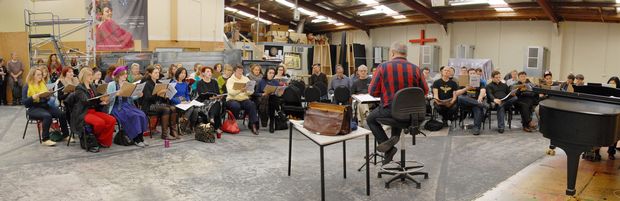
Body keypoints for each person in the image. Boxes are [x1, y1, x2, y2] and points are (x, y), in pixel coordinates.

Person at [367, 42, 428, 165]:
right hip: (414, 115)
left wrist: (386, 93)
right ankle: (394, 137)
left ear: (392, 52)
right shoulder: (416, 68)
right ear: (406, 54)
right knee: (399, 111)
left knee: (370, 119)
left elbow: (373, 92)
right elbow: (425, 91)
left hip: (391, 113)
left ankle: (389, 148)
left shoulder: (383, 67)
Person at [64, 68, 116, 151]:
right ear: (84, 76)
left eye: (92, 74)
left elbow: (95, 100)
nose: (91, 76)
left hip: (93, 111)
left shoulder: (92, 86)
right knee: (100, 123)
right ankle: (96, 138)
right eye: (89, 75)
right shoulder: (79, 88)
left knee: (112, 120)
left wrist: (101, 101)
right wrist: (99, 99)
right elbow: (85, 101)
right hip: (83, 113)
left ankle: (102, 140)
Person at [22, 68, 70, 146]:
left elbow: (45, 98)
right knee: (47, 116)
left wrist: (49, 94)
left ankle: (65, 135)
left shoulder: (42, 84)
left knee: (62, 113)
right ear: (32, 75)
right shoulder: (27, 86)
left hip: (44, 106)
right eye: (38, 74)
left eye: (41, 74)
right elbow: (24, 103)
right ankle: (45, 139)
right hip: (33, 108)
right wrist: (32, 97)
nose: (40, 76)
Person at [106, 66, 149, 147]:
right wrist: (116, 94)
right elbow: (108, 99)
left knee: (142, 114)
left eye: (126, 74)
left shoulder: (127, 84)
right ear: (118, 75)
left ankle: (140, 137)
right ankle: (136, 139)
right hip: (117, 107)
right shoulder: (112, 84)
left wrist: (138, 95)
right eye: (124, 74)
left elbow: (131, 97)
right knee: (133, 116)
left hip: (128, 105)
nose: (126, 76)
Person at [141, 66, 180, 140]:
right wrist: (158, 94)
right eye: (155, 73)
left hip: (158, 104)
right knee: (166, 109)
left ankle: (173, 131)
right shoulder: (147, 83)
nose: (157, 74)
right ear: (150, 74)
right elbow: (148, 98)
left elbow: (159, 98)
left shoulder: (159, 83)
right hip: (149, 106)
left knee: (173, 108)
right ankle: (164, 134)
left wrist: (164, 95)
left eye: (158, 72)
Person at [226, 65, 259, 135]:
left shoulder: (246, 79)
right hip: (232, 99)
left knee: (251, 104)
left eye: (241, 71)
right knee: (235, 106)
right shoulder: (230, 80)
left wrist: (246, 91)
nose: (240, 73)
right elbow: (231, 93)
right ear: (234, 71)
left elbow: (251, 91)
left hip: (244, 99)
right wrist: (240, 90)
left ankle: (253, 124)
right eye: (238, 71)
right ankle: (234, 123)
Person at [457, 68, 487, 135]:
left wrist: (480, 97)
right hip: (465, 103)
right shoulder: (463, 82)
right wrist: (466, 88)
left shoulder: (480, 82)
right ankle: (482, 105)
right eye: (471, 73)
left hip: (475, 103)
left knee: (477, 107)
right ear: (468, 74)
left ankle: (476, 128)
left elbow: (483, 91)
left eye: (474, 73)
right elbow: (457, 93)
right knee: (460, 97)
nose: (473, 74)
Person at [195, 66, 223, 136]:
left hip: (214, 100)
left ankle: (212, 118)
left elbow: (218, 93)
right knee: (216, 104)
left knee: (217, 102)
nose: (209, 73)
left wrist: (218, 96)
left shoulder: (214, 82)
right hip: (204, 101)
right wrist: (209, 97)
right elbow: (201, 94)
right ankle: (216, 127)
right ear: (203, 73)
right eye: (207, 71)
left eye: (210, 71)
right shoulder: (200, 83)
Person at [255, 67, 279, 133]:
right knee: (271, 100)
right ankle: (278, 113)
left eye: (273, 73)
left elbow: (277, 92)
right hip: (263, 99)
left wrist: (278, 92)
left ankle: (271, 123)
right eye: (270, 73)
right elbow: (256, 93)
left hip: (272, 98)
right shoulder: (261, 81)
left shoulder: (276, 82)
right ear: (267, 73)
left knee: (273, 99)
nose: (271, 74)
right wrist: (262, 94)